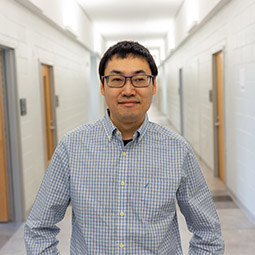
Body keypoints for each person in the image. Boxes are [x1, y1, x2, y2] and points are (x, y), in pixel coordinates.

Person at [24, 41, 224, 254]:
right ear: (102, 86)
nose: (128, 90)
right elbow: (39, 229)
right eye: (117, 80)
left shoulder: (177, 150)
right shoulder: (72, 148)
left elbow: (208, 233)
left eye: (139, 79)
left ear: (154, 85)